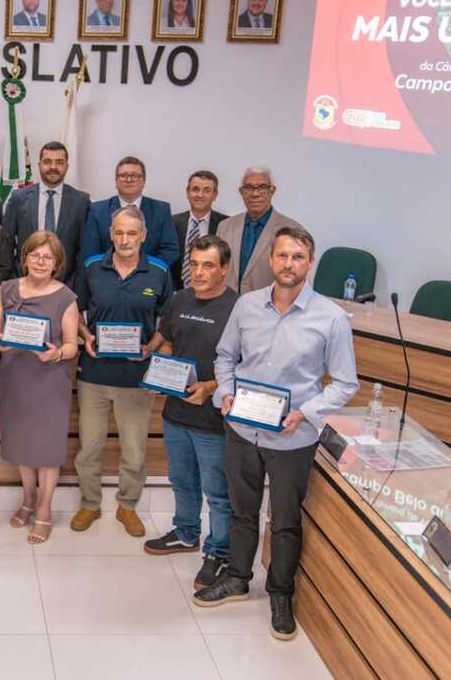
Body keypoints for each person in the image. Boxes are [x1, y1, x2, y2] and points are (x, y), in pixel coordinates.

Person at [194, 226, 358, 641]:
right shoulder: (247, 305)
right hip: (242, 428)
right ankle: (237, 577)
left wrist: (306, 412)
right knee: (242, 510)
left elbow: (345, 383)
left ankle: (281, 594)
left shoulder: (331, 318)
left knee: (284, 520)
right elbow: (225, 356)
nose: (289, 264)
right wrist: (226, 392)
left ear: (310, 262)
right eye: (282, 256)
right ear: (271, 260)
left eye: (298, 257)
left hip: (292, 438)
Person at [143, 236, 238, 590]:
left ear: (224, 269)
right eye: (194, 264)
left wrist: (210, 387)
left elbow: (244, 364)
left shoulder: (239, 309)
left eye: (208, 265)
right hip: (176, 414)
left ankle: (218, 552)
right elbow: (169, 342)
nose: (198, 272)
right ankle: (185, 533)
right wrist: (158, 374)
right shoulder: (179, 300)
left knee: (217, 492)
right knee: (181, 480)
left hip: (213, 418)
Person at [71, 206, 172, 537]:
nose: (125, 239)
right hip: (94, 375)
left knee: (134, 449)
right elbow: (75, 310)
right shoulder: (91, 267)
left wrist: (151, 346)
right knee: (89, 446)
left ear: (143, 235)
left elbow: (167, 319)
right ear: (110, 234)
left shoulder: (159, 271)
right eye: (119, 232)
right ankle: (89, 503)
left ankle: (127, 506)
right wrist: (85, 336)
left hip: (136, 378)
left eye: (132, 233)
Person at [0, 231, 78, 544]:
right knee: (22, 446)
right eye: (35, 255)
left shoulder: (66, 297)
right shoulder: (7, 289)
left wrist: (56, 354)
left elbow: (72, 345)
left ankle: (45, 509)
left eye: (47, 257)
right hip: (16, 379)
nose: (40, 261)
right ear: (24, 258)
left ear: (56, 264)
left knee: (47, 450)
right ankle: (27, 499)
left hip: (49, 381)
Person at [2, 141, 90, 284]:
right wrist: (15, 280)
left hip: (66, 285)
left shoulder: (81, 201)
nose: (53, 167)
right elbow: (6, 244)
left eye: (59, 162)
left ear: (67, 166)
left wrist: (74, 285)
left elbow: (84, 250)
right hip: (24, 281)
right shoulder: (18, 198)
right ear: (39, 165)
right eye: (47, 162)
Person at [216, 166, 303, 294]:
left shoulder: (292, 231)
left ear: (272, 191)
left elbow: (296, 279)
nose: (255, 194)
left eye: (262, 187)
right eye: (249, 187)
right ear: (241, 192)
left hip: (268, 304)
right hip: (228, 302)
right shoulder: (225, 227)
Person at [81, 156, 179, 267]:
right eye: (123, 175)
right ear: (116, 181)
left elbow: (171, 250)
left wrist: (145, 269)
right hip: (107, 274)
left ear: (144, 181)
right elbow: (89, 252)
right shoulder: (97, 211)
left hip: (150, 274)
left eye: (135, 176)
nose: (128, 180)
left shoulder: (161, 210)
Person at [171, 170, 228, 290]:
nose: (200, 195)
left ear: (215, 195)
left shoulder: (226, 224)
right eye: (195, 189)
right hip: (176, 292)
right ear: (188, 192)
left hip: (212, 291)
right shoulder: (171, 222)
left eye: (206, 190)